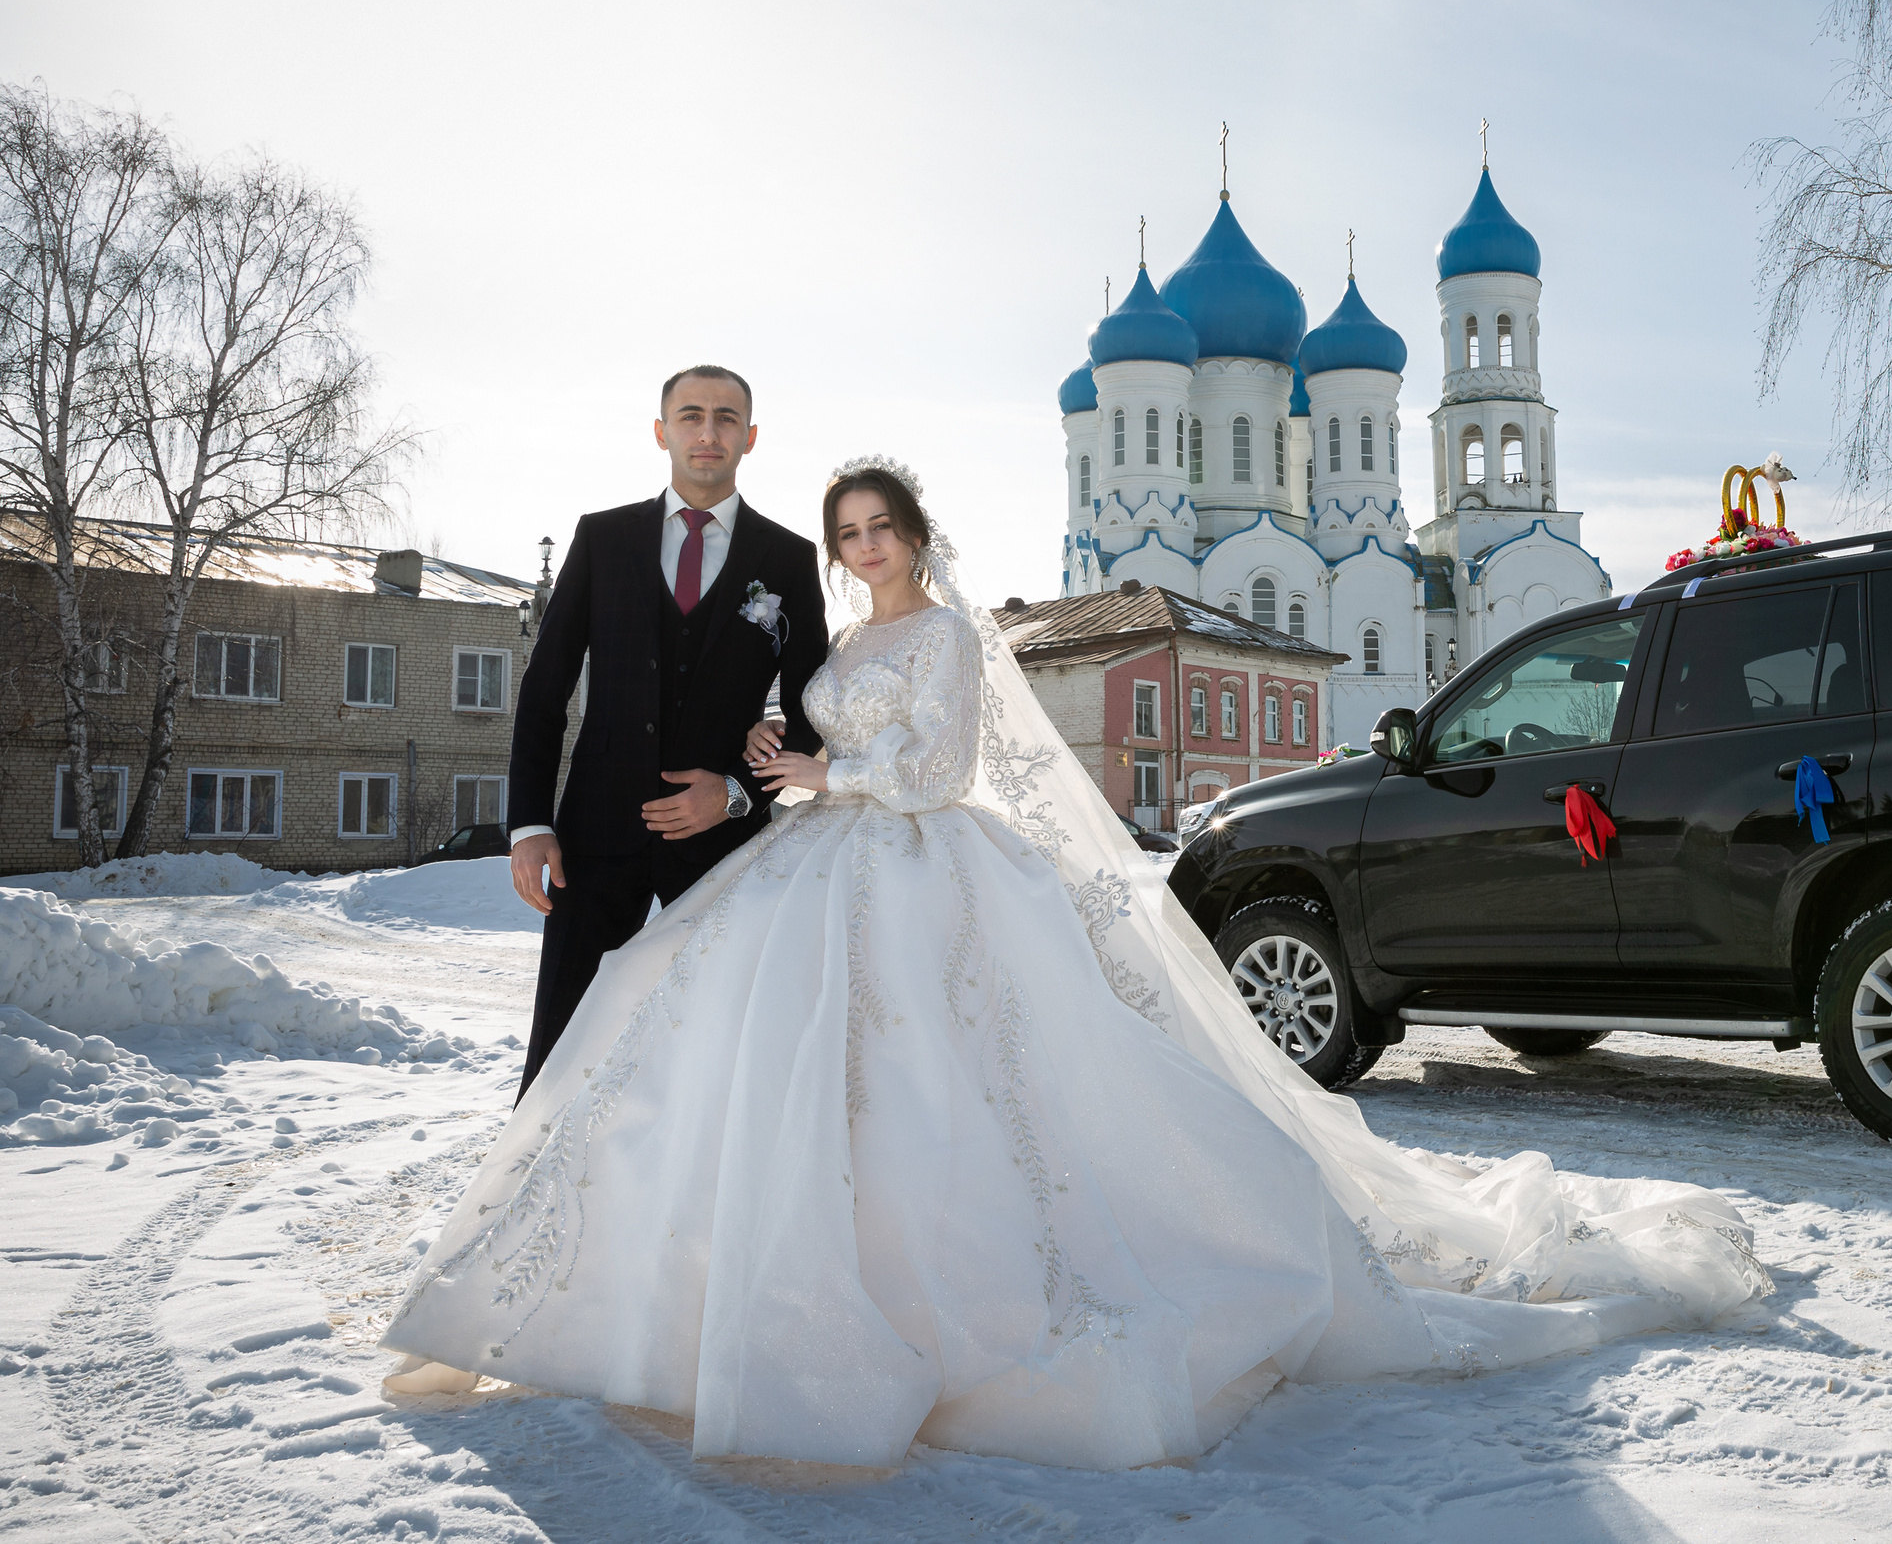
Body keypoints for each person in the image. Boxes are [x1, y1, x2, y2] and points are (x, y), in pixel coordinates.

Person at [382, 456, 1770, 1471]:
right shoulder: (849, 634)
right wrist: (785, 770)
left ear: (922, 533)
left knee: (954, 1079)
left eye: (882, 529)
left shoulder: (946, 635)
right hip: (822, 857)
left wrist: (822, 761)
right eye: (847, 533)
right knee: (742, 1048)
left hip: (924, 863)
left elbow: (939, 767)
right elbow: (831, 751)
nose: (864, 549)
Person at [502, 364, 827, 1097]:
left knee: (710, 1052)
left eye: (724, 417)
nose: (706, 432)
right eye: (689, 415)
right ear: (661, 431)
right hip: (594, 836)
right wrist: (529, 822)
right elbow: (545, 685)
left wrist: (740, 792)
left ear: (750, 436)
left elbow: (813, 708)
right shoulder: (601, 538)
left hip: (722, 851)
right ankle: (525, 1200)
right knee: (563, 1040)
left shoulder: (788, 559)